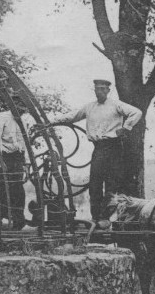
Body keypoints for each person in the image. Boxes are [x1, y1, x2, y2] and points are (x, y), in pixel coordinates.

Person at [39, 79, 142, 229]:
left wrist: (126, 128)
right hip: (98, 148)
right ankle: (95, 217)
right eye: (96, 89)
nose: (99, 91)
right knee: (95, 184)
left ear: (108, 90)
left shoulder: (116, 105)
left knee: (112, 184)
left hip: (113, 148)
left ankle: (105, 218)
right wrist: (51, 122)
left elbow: (136, 112)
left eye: (102, 89)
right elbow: (72, 116)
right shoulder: (89, 107)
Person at [0, 93, 37, 230]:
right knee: (2, 188)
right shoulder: (1, 118)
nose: (22, 109)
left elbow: (26, 143)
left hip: (18, 158)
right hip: (4, 157)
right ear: (13, 105)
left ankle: (18, 221)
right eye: (19, 105)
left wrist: (27, 165)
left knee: (17, 189)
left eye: (24, 106)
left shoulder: (25, 120)